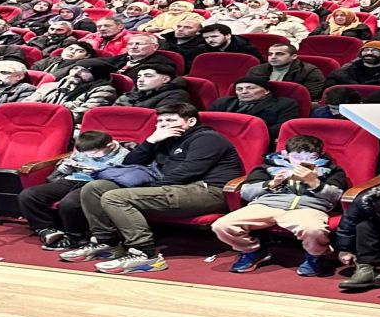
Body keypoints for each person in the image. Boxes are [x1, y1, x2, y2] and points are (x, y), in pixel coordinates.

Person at [59, 104, 242, 273]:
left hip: (207, 191)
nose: (163, 124)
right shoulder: (165, 139)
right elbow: (129, 163)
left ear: (191, 122)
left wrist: (146, 188)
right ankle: (107, 244)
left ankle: (146, 254)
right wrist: (151, 140)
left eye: (170, 120)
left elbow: (188, 172)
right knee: (94, 188)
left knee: (115, 197)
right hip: (174, 187)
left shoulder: (208, 139)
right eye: (160, 121)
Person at [214, 133, 349, 275]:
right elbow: (246, 192)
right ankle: (252, 251)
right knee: (222, 225)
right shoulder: (267, 168)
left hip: (308, 208)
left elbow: (335, 196)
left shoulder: (332, 170)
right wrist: (272, 184)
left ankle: (315, 256)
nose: (303, 162)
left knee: (313, 230)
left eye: (311, 157)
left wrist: (314, 183)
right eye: (297, 157)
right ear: (286, 155)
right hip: (266, 205)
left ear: (319, 155)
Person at [18, 129, 131, 251]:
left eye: (93, 154)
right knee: (29, 195)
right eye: (85, 154)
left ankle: (75, 237)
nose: (88, 156)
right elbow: (64, 171)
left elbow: (123, 176)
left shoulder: (124, 155)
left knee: (69, 203)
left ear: (110, 146)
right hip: (72, 179)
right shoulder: (83, 149)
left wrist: (98, 172)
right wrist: (67, 166)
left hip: (97, 184)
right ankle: (46, 229)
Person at [334, 182, 380, 292]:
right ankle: (367, 270)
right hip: (375, 223)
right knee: (364, 227)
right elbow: (348, 224)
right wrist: (345, 249)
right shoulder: (362, 202)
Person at [33, 58, 119, 123]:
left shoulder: (104, 91)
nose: (76, 73)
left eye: (84, 71)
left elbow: (80, 116)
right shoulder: (48, 86)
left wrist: (43, 116)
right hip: (38, 122)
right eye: (75, 68)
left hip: (70, 127)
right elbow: (29, 105)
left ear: (97, 75)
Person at [211, 78, 298, 138]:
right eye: (239, 89)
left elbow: (282, 127)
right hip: (221, 137)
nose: (244, 92)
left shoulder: (284, 103)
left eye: (250, 88)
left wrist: (247, 133)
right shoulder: (222, 102)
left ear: (266, 91)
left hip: (260, 139)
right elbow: (209, 122)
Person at [243, 42, 327, 99]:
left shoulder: (310, 71)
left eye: (279, 54)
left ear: (293, 56)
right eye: (270, 54)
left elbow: (308, 95)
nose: (273, 57)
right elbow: (247, 89)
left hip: (289, 106)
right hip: (257, 103)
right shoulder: (257, 69)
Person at [115, 59, 193, 112]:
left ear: (165, 79)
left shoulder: (177, 95)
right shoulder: (134, 92)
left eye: (148, 76)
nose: (140, 80)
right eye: (139, 76)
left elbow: (161, 119)